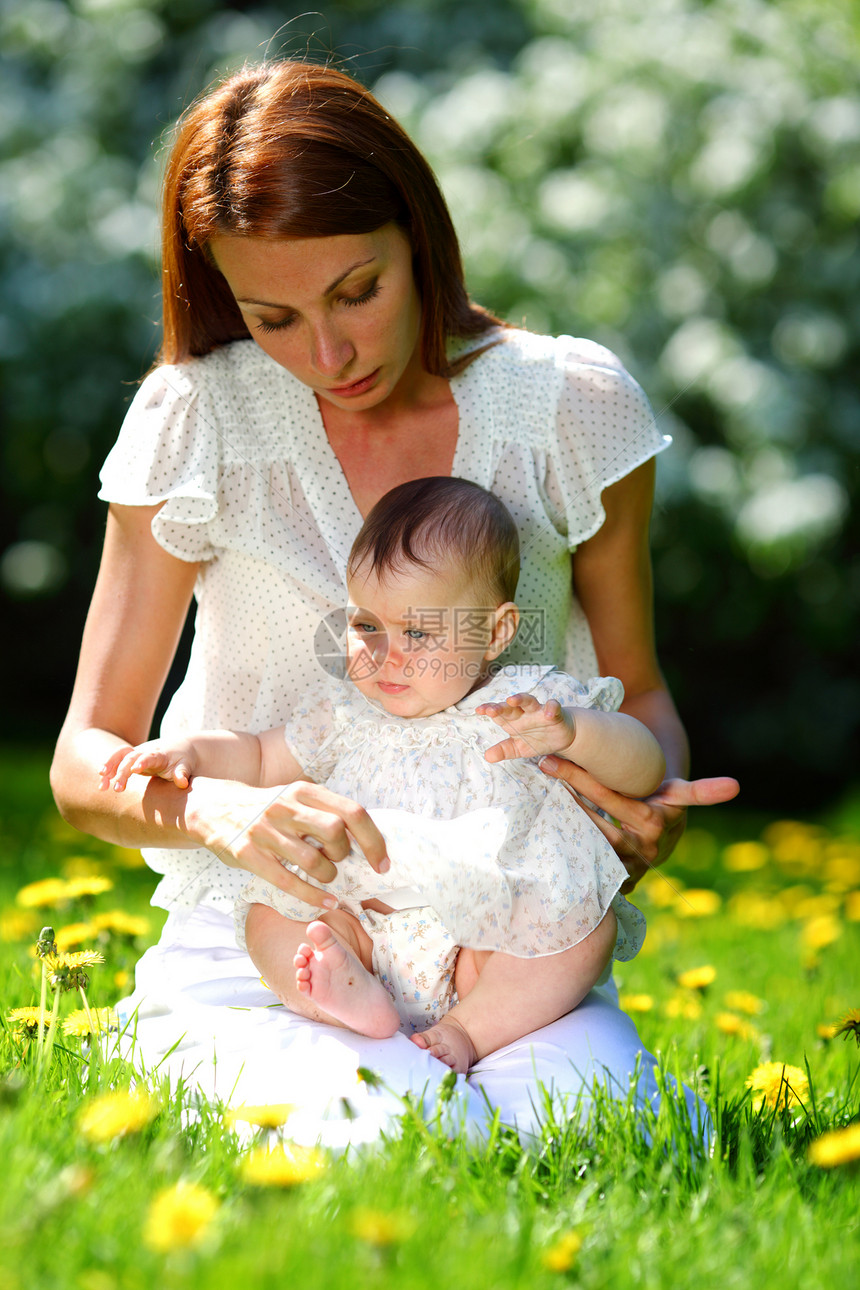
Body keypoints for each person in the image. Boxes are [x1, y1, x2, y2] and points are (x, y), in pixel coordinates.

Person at [50, 59, 738, 1141]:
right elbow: (85, 762)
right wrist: (223, 814)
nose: (326, 354)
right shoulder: (196, 419)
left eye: (355, 292)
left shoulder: (569, 405)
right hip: (278, 941)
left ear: (417, 236)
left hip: (502, 954)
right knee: (387, 1132)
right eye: (271, 315)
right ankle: (204, 1039)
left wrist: (643, 812)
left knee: (605, 1136)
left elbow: (642, 699)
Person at [100, 477, 667, 1073]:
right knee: (272, 913)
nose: (385, 654)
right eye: (367, 625)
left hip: (488, 937)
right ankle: (340, 995)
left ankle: (469, 1030)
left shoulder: (530, 704)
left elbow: (645, 766)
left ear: (495, 632)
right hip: (361, 923)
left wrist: (577, 732)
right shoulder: (345, 712)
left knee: (583, 930)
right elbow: (259, 756)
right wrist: (190, 753)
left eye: (418, 633)